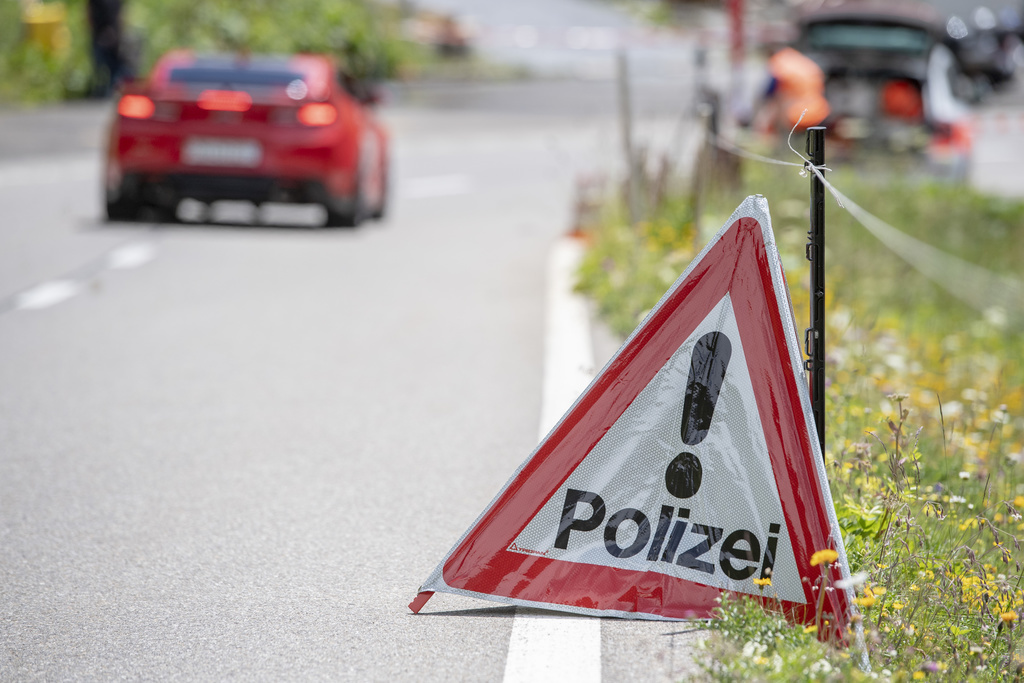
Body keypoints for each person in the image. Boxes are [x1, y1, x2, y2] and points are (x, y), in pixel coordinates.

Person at [752, 46, 829, 138]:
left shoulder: (779, 63)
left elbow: (769, 93)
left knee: (772, 109)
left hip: (796, 115)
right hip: (819, 111)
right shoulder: (801, 62)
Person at [87, 0, 125, 97]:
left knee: (111, 67)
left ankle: (111, 92)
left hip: (111, 34)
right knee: (102, 67)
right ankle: (104, 91)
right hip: (102, 33)